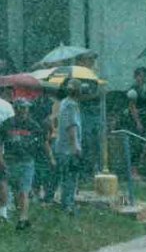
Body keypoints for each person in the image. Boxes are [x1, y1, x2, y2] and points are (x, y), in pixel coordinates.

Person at [0, 98, 50, 230]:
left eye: (26, 108)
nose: (24, 111)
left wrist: (50, 157)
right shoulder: (7, 124)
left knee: (24, 191)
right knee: (16, 191)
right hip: (10, 161)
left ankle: (22, 219)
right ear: (16, 109)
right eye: (21, 108)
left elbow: (43, 141)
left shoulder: (33, 125)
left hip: (27, 161)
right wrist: (1, 159)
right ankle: (21, 216)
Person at [55, 79, 84, 215]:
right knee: (71, 178)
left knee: (65, 177)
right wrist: (76, 146)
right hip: (69, 149)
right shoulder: (72, 105)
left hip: (61, 146)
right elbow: (72, 127)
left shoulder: (64, 102)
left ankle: (65, 203)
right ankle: (68, 205)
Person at [74, 52, 102, 176]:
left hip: (96, 112)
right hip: (84, 112)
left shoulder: (93, 77)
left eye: (92, 60)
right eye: (89, 60)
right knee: (86, 141)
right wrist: (95, 95)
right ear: (80, 61)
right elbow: (78, 96)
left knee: (97, 142)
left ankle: (97, 167)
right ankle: (84, 170)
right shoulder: (77, 77)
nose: (91, 62)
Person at [121, 67, 146, 180]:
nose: (141, 79)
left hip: (143, 119)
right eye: (139, 76)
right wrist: (138, 122)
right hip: (133, 121)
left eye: (143, 77)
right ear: (135, 76)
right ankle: (132, 171)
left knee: (140, 146)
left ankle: (134, 170)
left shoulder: (145, 89)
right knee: (135, 145)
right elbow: (132, 107)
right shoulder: (133, 90)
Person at [0, 85, 15, 223]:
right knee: (3, 180)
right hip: (3, 149)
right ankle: (3, 212)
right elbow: (12, 129)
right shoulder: (7, 107)